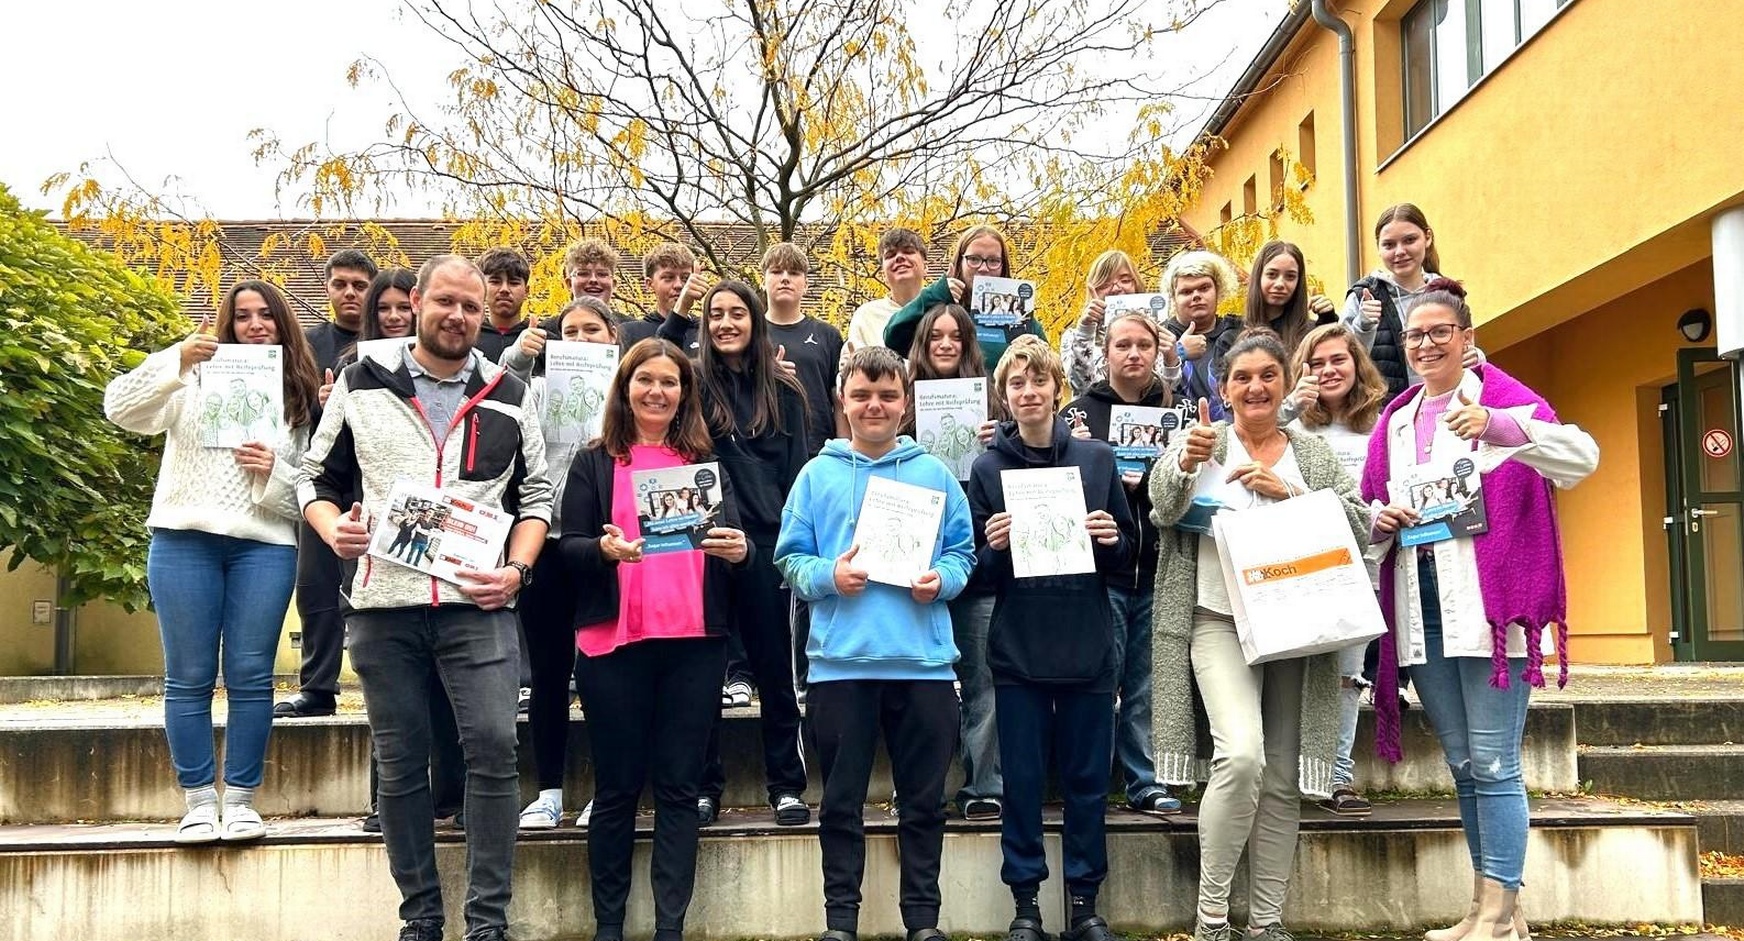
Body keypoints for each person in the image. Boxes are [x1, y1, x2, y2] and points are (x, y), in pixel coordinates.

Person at [298, 254, 552, 941]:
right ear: (415, 301)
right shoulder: (361, 378)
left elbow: (536, 497)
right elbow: (314, 477)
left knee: (494, 748)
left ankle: (487, 920)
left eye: (471, 306)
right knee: (402, 761)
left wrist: (517, 570)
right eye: (446, 301)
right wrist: (333, 528)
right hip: (384, 606)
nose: (458, 316)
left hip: (480, 604)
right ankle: (420, 916)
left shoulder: (509, 390)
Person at [1362, 280, 1598, 941]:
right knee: (1464, 766)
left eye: (1441, 332)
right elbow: (1369, 509)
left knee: (1495, 764)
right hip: (1423, 608)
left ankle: (1496, 914)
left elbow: (1581, 457)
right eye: (1415, 335)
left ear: (1466, 338)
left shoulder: (1506, 399)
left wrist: (1499, 426)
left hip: (1492, 614)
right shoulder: (1396, 420)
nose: (1426, 344)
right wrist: (1380, 520)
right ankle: (1489, 908)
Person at [1146, 329, 1368, 940]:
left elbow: (1359, 523)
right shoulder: (1201, 440)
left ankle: (1266, 924)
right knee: (1242, 756)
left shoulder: (1311, 454)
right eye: (1242, 377)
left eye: (1268, 375)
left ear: (1285, 382)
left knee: (1281, 778)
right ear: (1223, 389)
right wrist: (1184, 463)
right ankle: (1212, 920)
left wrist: (1291, 491)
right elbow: (1161, 507)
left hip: (1297, 629)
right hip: (1216, 620)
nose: (1255, 387)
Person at [105, 280, 321, 843]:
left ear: (282, 323)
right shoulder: (192, 377)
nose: (255, 325)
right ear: (227, 323)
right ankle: (199, 802)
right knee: (189, 675)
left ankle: (243, 801)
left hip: (264, 546)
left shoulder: (299, 393)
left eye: (265, 315)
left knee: (251, 676)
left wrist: (272, 472)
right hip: (184, 540)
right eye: (243, 315)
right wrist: (176, 358)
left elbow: (310, 490)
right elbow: (119, 408)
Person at [776, 346, 976, 941]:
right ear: (843, 399)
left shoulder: (935, 474)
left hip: (924, 665)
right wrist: (829, 576)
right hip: (841, 665)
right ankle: (841, 921)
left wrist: (942, 581)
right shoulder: (816, 476)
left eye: (887, 395)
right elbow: (789, 559)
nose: (874, 406)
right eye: (862, 395)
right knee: (840, 805)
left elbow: (963, 553)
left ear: (905, 403)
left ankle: (923, 922)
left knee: (924, 804)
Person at [561, 337, 750, 941]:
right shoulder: (594, 462)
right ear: (625, 387)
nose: (657, 391)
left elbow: (736, 544)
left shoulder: (704, 463)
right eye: (646, 379)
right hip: (614, 646)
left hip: (694, 645)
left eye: (670, 382)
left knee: (678, 790)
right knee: (616, 790)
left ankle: (671, 927)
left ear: (685, 393)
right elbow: (567, 548)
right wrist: (602, 550)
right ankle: (609, 927)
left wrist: (740, 550)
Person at [967, 336, 1134, 941]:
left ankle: (1085, 904)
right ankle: (1027, 906)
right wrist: (993, 546)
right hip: (1019, 648)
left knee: (1088, 782)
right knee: (1023, 781)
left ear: (1058, 390)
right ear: (1004, 396)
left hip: (1087, 643)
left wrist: (1112, 537)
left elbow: (1128, 557)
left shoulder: (1096, 460)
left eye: (1039, 381)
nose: (1029, 392)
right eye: (1017, 383)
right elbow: (977, 574)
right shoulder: (987, 469)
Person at [693, 280, 811, 826]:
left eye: (736, 313)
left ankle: (786, 785)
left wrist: (791, 545)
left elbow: (798, 475)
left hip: (767, 544)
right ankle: (704, 785)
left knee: (775, 669)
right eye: (715, 314)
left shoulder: (785, 392)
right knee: (704, 672)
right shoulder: (691, 387)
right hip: (705, 541)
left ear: (755, 320)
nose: (726, 323)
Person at [1059, 313, 1182, 817]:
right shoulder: (1077, 415)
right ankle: (1086, 780)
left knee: (1145, 684)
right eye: (1123, 345)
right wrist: (1092, 460)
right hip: (1100, 573)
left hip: (1157, 568)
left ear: (1156, 351)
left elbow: (1191, 486)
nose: (1134, 354)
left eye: (1143, 345)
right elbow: (1055, 489)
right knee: (1096, 680)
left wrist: (1150, 478)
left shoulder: (1175, 414)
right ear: (1105, 353)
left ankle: (1143, 781)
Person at [517, 298, 621, 831]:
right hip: (548, 541)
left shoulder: (627, 396)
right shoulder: (537, 390)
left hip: (606, 545)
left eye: (592, 330)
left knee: (604, 674)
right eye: (571, 331)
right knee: (549, 673)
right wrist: (520, 358)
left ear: (613, 337)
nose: (580, 340)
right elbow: (502, 398)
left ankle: (607, 790)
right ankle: (548, 791)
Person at [902, 302, 1006, 819]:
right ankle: (916, 787)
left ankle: (984, 784)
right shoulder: (900, 406)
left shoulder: (995, 408)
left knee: (983, 678)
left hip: (979, 563)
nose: (946, 344)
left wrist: (1000, 442)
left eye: (956, 336)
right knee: (918, 683)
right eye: (936, 336)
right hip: (913, 562)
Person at [1284, 322, 1392, 817]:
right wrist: (1289, 406)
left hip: (1363, 564)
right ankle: (1289, 773)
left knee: (1348, 676)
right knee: (1294, 674)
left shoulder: (1381, 425)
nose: (1328, 370)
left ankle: (1337, 777)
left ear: (1357, 364)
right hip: (1301, 564)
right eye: (1317, 363)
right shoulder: (1294, 424)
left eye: (1338, 360)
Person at [277, 248, 378, 720]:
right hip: (323, 480)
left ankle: (385, 687)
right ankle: (317, 687)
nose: (350, 293)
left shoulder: (393, 343)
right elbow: (289, 413)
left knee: (374, 591)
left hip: (379, 480)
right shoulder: (305, 344)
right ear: (327, 288)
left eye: (360, 285)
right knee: (316, 586)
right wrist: (323, 403)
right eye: (341, 284)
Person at [1340, 203, 1483, 400]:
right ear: (1379, 248)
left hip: (1447, 407)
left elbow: (1467, 351)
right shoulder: (1363, 296)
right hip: (1384, 412)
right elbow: (1341, 363)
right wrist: (1363, 326)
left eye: (1409, 240)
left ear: (1427, 238)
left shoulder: (1449, 294)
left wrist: (1477, 358)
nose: (1400, 251)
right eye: (1389, 245)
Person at [884, 224, 1045, 370]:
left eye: (993, 261)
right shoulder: (939, 308)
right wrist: (936, 293)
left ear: (1003, 267)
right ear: (959, 262)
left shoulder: (1021, 319)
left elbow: (1048, 370)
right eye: (974, 259)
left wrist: (1035, 351)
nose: (983, 268)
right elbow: (893, 337)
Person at [1060, 249, 1182, 394]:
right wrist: (1086, 329)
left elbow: (1164, 392)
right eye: (1105, 284)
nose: (1116, 288)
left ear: (1136, 285)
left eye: (1125, 281)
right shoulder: (1074, 336)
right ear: (1093, 290)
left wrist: (1170, 360)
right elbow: (1082, 386)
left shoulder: (1155, 333)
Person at [1245, 241, 1337, 425]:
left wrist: (1329, 324)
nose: (1280, 284)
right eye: (1272, 274)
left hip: (1308, 428)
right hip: (1254, 431)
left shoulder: (1310, 333)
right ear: (1258, 276)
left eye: (1290, 276)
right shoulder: (1233, 335)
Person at [1156, 250, 1243, 422]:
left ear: (1218, 290)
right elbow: (1141, 388)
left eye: (1204, 288)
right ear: (1173, 297)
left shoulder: (1239, 332)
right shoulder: (1159, 335)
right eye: (1186, 291)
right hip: (1176, 432)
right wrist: (1178, 352)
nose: (1196, 296)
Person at [847, 228, 929, 351]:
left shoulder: (942, 309)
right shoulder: (866, 317)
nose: (899, 257)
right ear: (882, 275)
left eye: (908, 251)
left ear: (926, 267)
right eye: (890, 255)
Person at [622, 242, 711, 350]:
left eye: (685, 278)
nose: (679, 285)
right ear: (649, 284)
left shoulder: (707, 331)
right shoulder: (630, 333)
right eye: (669, 278)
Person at [475, 247, 533, 362]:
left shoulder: (542, 342)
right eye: (495, 282)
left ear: (527, 291)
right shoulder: (468, 339)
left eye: (514, 283)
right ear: (482, 287)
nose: (504, 289)